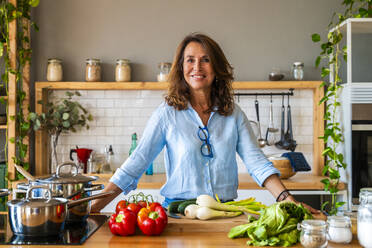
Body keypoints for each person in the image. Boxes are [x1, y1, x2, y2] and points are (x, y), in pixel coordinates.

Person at [91, 33, 319, 214]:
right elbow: (135, 164)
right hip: (180, 213)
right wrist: (93, 208)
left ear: (217, 68)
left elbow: (257, 163)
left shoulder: (234, 114)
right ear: (181, 67)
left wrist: (288, 200)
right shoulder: (166, 114)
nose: (197, 67)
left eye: (205, 60)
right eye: (190, 60)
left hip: (226, 212)